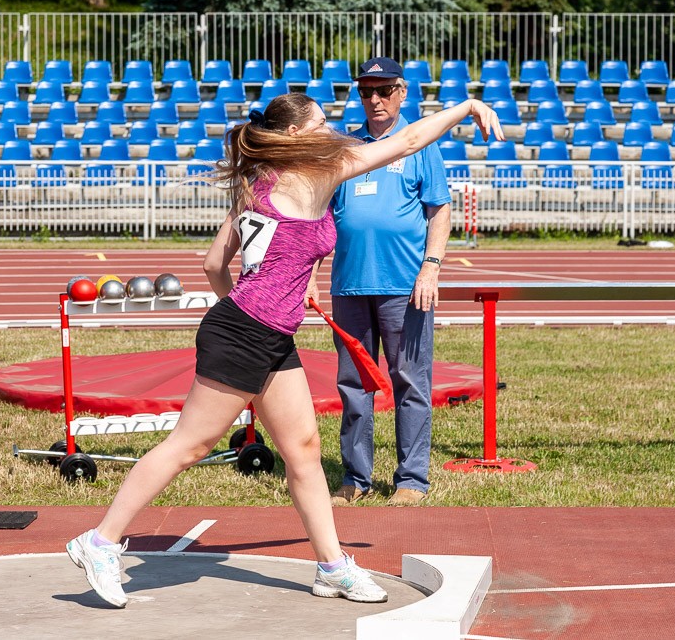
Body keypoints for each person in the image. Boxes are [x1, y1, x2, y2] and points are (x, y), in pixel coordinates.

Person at [65, 91, 503, 609]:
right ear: (296, 135)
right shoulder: (316, 173)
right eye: (321, 123)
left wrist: (253, 307)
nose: (332, 129)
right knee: (190, 446)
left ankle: (333, 567)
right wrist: (466, 107)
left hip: (265, 334)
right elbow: (408, 140)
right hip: (247, 333)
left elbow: (213, 264)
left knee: (303, 450)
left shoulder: (259, 180)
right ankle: (99, 542)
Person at [321, 57, 450, 508]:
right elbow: (323, 218)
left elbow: (439, 210)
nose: (374, 99)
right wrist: (309, 275)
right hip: (349, 285)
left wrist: (430, 267)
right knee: (353, 384)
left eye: (383, 90)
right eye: (366, 91)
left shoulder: (420, 143)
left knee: (409, 381)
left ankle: (411, 479)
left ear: (402, 92)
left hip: (404, 285)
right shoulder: (346, 148)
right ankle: (355, 477)